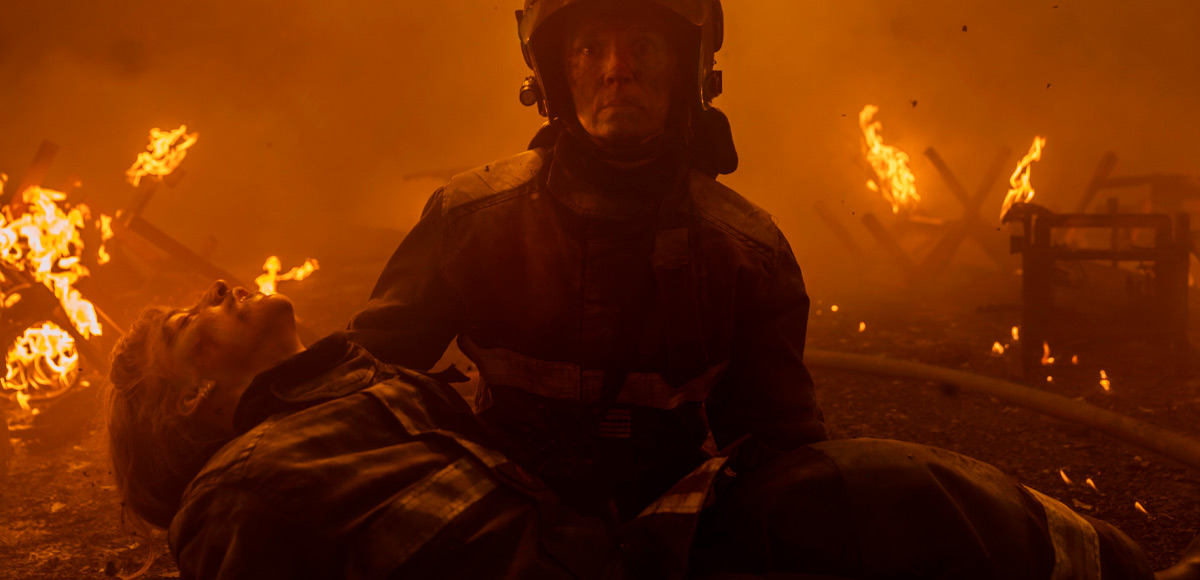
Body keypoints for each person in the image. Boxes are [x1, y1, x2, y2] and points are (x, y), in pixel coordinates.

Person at [106, 280, 1200, 580]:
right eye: (178, 329)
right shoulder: (236, 494)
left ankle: (1104, 566)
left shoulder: (353, 394)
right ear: (191, 401)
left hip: (611, 551)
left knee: (857, 490)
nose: (210, 291)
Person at [348, 0, 825, 523]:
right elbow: (361, 390)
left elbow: (784, 457)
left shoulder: (746, 252)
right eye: (589, 47)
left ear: (688, 68)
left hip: (666, 532)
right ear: (552, 73)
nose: (616, 70)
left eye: (644, 47)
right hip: (491, 523)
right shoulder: (469, 218)